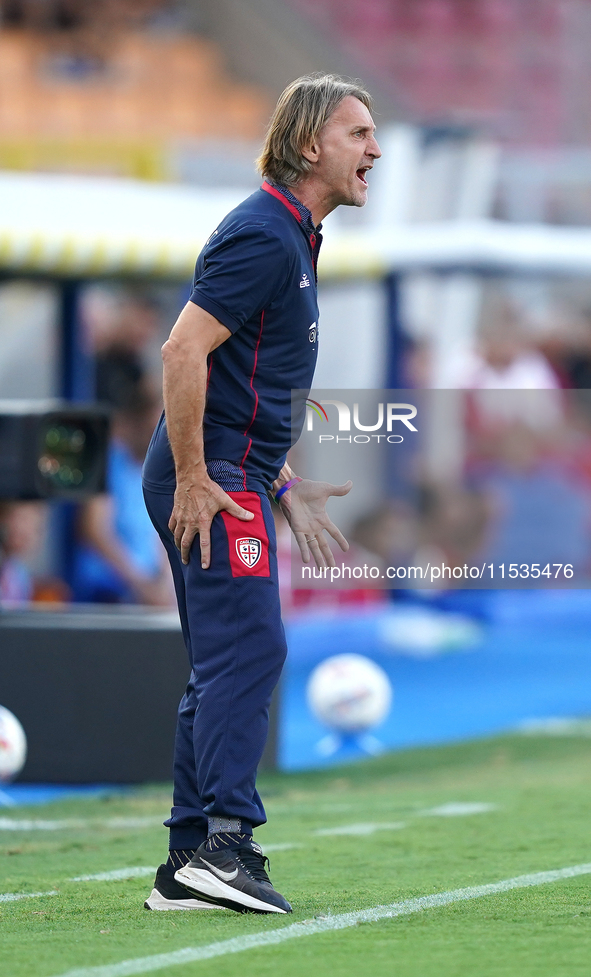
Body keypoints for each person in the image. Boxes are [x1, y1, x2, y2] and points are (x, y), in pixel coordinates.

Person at [141, 73, 381, 914]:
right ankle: (225, 845)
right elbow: (181, 352)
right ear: (310, 143)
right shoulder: (263, 234)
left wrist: (277, 478)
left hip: (231, 472)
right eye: (358, 134)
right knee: (250, 651)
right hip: (209, 478)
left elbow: (239, 380)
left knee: (225, 659)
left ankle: (185, 861)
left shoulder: (294, 235)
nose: (374, 150)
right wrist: (204, 477)